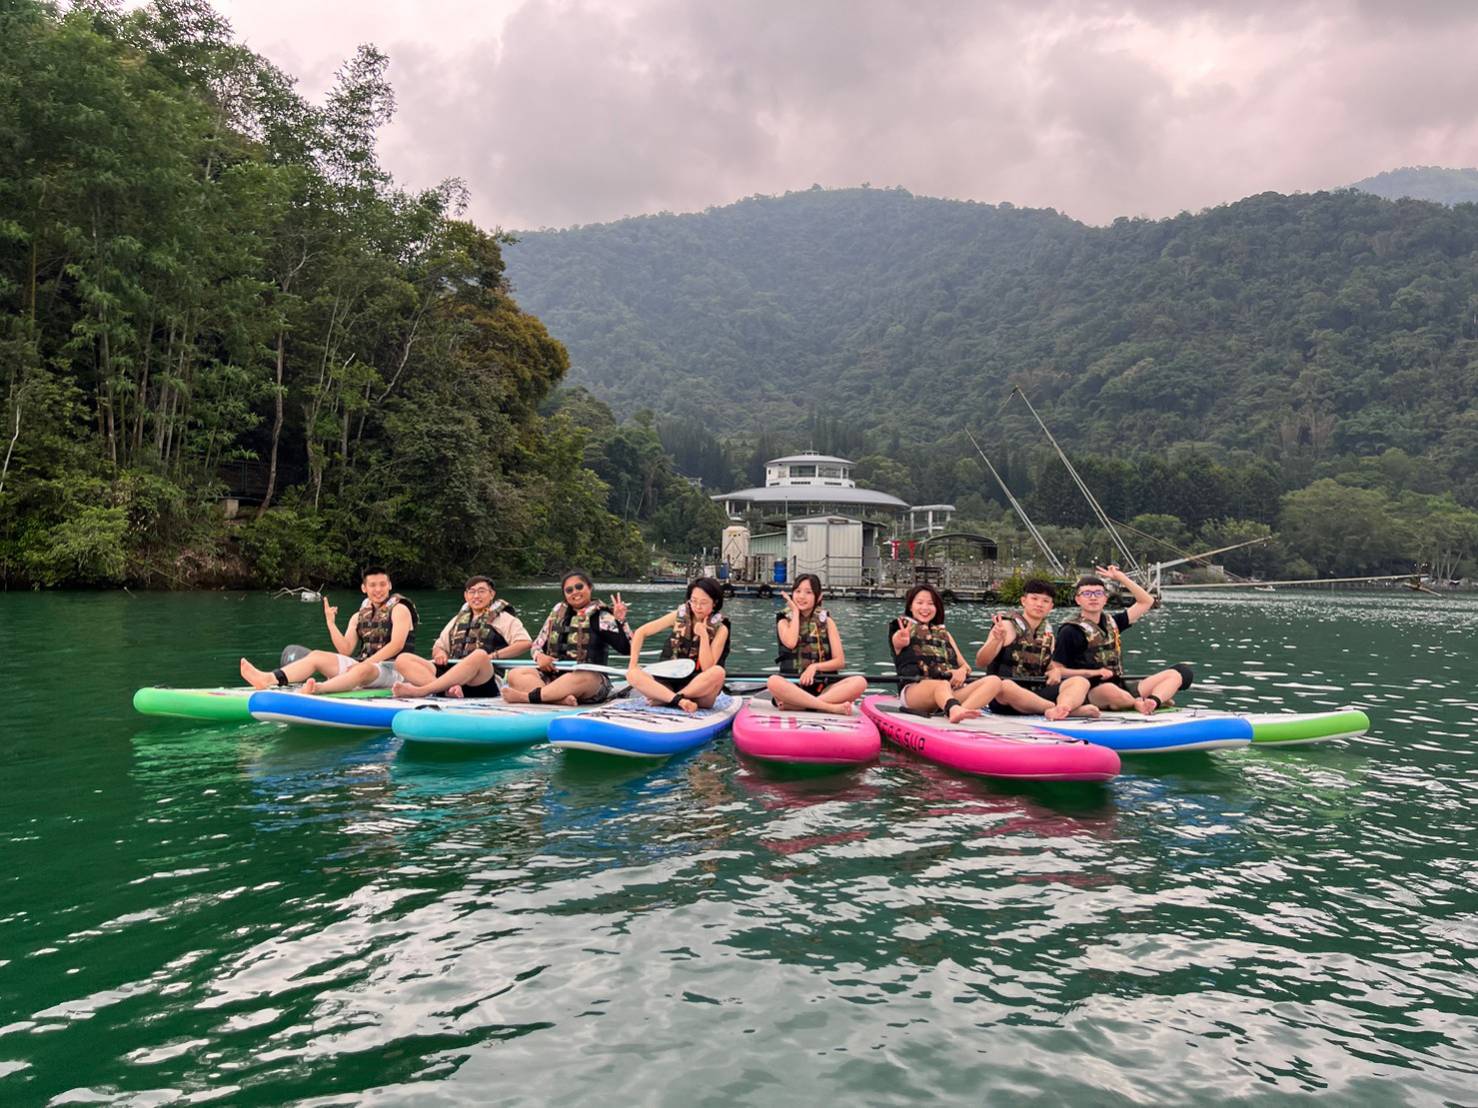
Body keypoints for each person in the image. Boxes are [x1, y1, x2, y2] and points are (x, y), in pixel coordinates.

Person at [239, 566, 417, 693]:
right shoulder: (359, 616)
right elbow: (345, 649)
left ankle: (319, 689)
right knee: (316, 655)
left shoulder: (400, 609)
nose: (378, 589)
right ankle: (268, 678)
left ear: (390, 585)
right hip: (365, 667)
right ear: (364, 588)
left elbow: (397, 645)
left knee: (362, 670)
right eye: (373, 585)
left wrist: (364, 664)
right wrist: (331, 623)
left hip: (395, 671)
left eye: (382, 584)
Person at [1051, 565, 1195, 715]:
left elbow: (1146, 601)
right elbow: (1057, 670)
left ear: (1105, 598)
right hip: (1092, 690)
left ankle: (1153, 701)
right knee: (1112, 692)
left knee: (1177, 674)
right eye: (1087, 593)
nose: (1093, 597)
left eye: (1098, 593)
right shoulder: (1070, 631)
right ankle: (1140, 703)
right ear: (1078, 599)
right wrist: (1092, 673)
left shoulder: (1113, 622)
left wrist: (1120, 577)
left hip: (1119, 684)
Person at [974, 578, 1099, 721]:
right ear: (1023, 601)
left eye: (1045, 601)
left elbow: (1049, 665)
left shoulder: (1048, 633)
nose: (1039, 604)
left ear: (1051, 606)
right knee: (1005, 686)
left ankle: (1064, 707)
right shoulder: (1006, 626)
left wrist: (1055, 671)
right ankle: (1061, 710)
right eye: (1034, 599)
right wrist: (996, 640)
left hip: (1037, 693)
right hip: (1006, 698)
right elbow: (981, 662)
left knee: (1079, 681)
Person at [502, 571, 631, 706]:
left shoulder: (602, 617)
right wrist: (540, 657)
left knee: (581, 677)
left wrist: (621, 621)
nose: (575, 592)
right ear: (565, 594)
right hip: (553, 678)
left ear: (589, 587)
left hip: (589, 682)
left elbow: (627, 649)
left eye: (579, 587)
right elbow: (536, 645)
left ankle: (527, 697)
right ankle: (557, 699)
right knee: (516, 674)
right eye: (569, 590)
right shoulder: (557, 614)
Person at [390, 576, 532, 699]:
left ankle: (423, 690)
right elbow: (439, 646)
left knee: (479, 655)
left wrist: (493, 656)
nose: (476, 596)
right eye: (472, 592)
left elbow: (525, 643)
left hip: (481, 678)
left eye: (482, 591)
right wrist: (440, 653)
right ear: (466, 596)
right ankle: (447, 690)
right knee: (403, 659)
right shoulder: (458, 620)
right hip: (451, 673)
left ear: (492, 594)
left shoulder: (503, 618)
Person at [887, 584, 1000, 723]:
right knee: (940, 685)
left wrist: (961, 672)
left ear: (937, 607)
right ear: (910, 606)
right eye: (920, 603)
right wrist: (901, 638)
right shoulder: (901, 630)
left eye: (931, 604)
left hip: (948, 692)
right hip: (915, 692)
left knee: (994, 681)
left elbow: (966, 667)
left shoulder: (944, 634)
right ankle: (953, 709)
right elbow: (898, 642)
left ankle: (958, 711)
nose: (925, 608)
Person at [765, 573, 868, 715]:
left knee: (860, 682)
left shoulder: (827, 622)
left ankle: (803, 705)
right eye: (798, 591)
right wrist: (795, 612)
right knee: (773, 681)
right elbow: (790, 642)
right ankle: (828, 707)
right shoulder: (784, 620)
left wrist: (814, 667)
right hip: (794, 687)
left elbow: (840, 661)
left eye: (808, 592)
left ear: (818, 597)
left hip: (823, 687)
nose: (801, 596)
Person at [625, 577, 730, 713]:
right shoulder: (678, 616)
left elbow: (708, 667)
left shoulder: (721, 629)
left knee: (718, 672)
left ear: (714, 603)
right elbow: (641, 632)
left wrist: (703, 636)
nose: (697, 607)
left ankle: (669, 698)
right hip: (667, 681)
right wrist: (633, 663)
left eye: (703, 602)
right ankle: (677, 700)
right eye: (694, 601)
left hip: (698, 689)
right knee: (632, 674)